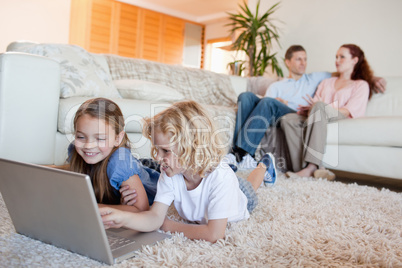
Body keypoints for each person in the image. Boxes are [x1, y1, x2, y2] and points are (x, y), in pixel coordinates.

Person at [99, 100, 277, 243]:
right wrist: (123, 218)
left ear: (193, 148)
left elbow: (214, 234)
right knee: (233, 177)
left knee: (250, 187)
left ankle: (264, 165)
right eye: (157, 149)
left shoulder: (221, 178)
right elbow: (154, 217)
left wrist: (168, 225)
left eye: (166, 151)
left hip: (239, 196)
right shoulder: (170, 172)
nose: (158, 158)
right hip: (208, 174)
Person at [230, 45, 386, 169]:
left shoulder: (316, 77)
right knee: (246, 96)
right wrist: (276, 101)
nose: (303, 63)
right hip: (275, 110)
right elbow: (263, 105)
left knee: (268, 102)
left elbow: (347, 74)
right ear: (288, 62)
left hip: (296, 112)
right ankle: (238, 153)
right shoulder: (277, 86)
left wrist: (372, 78)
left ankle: (243, 153)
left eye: (305, 59)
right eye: (298, 59)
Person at [281, 44, 375, 179]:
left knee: (319, 107)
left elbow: (348, 111)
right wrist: (312, 108)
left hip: (341, 116)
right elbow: (316, 102)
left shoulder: (360, 85)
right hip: (319, 114)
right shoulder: (327, 81)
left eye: (342, 57)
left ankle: (312, 166)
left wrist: (320, 107)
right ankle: (300, 168)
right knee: (288, 119)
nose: (337, 60)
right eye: (336, 57)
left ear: (355, 60)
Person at [67, 98, 160, 212]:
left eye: (100, 138)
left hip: (155, 174)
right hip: (140, 163)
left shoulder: (120, 163)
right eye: (81, 137)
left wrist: (89, 207)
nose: (88, 145)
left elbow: (141, 209)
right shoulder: (76, 149)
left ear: (118, 138)